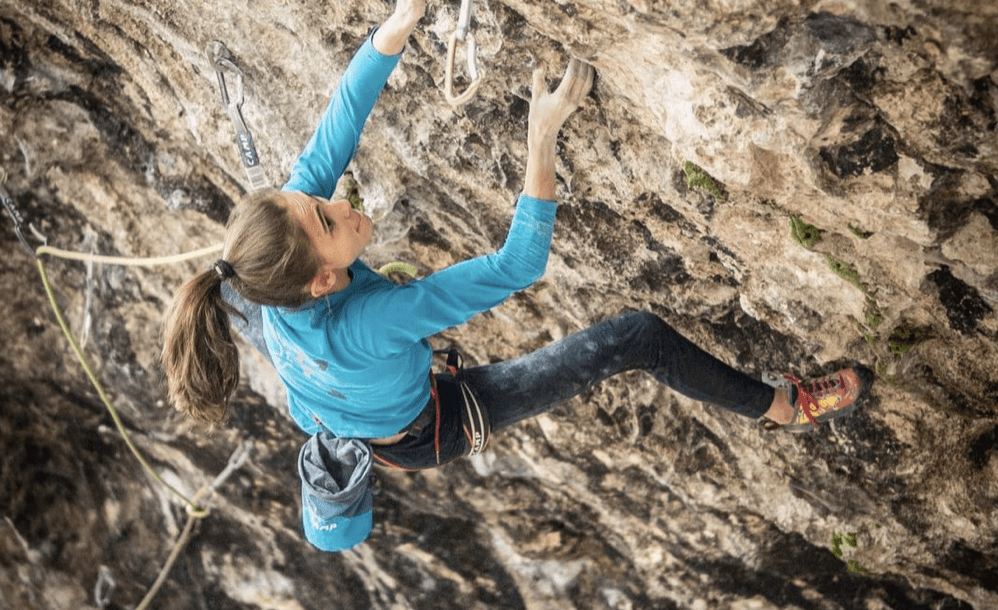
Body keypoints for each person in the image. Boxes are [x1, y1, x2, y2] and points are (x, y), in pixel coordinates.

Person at [162, 0, 870, 552]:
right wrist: (542, 136)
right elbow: (518, 266)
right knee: (635, 336)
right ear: (319, 281)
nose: (340, 203)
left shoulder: (264, 277)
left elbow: (334, 133)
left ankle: (342, 413)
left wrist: (400, 23)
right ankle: (781, 407)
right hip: (421, 425)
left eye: (316, 201)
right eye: (327, 219)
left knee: (231, 294)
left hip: (329, 393)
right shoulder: (372, 320)